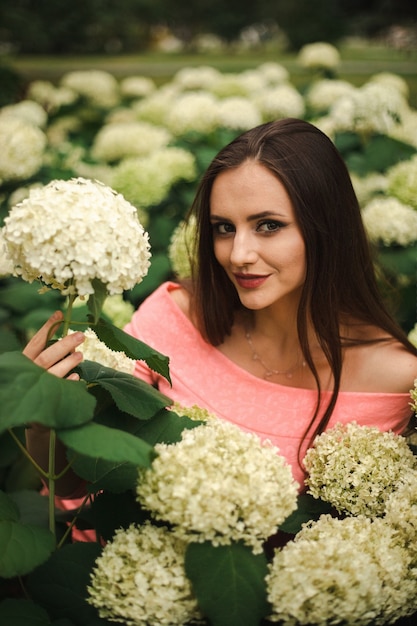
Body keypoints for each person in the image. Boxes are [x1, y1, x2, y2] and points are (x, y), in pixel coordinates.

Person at [25, 118, 417, 492]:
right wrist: (43, 424)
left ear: (327, 228)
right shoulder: (174, 315)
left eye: (268, 225)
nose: (238, 255)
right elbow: (79, 484)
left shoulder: (397, 380)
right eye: (224, 228)